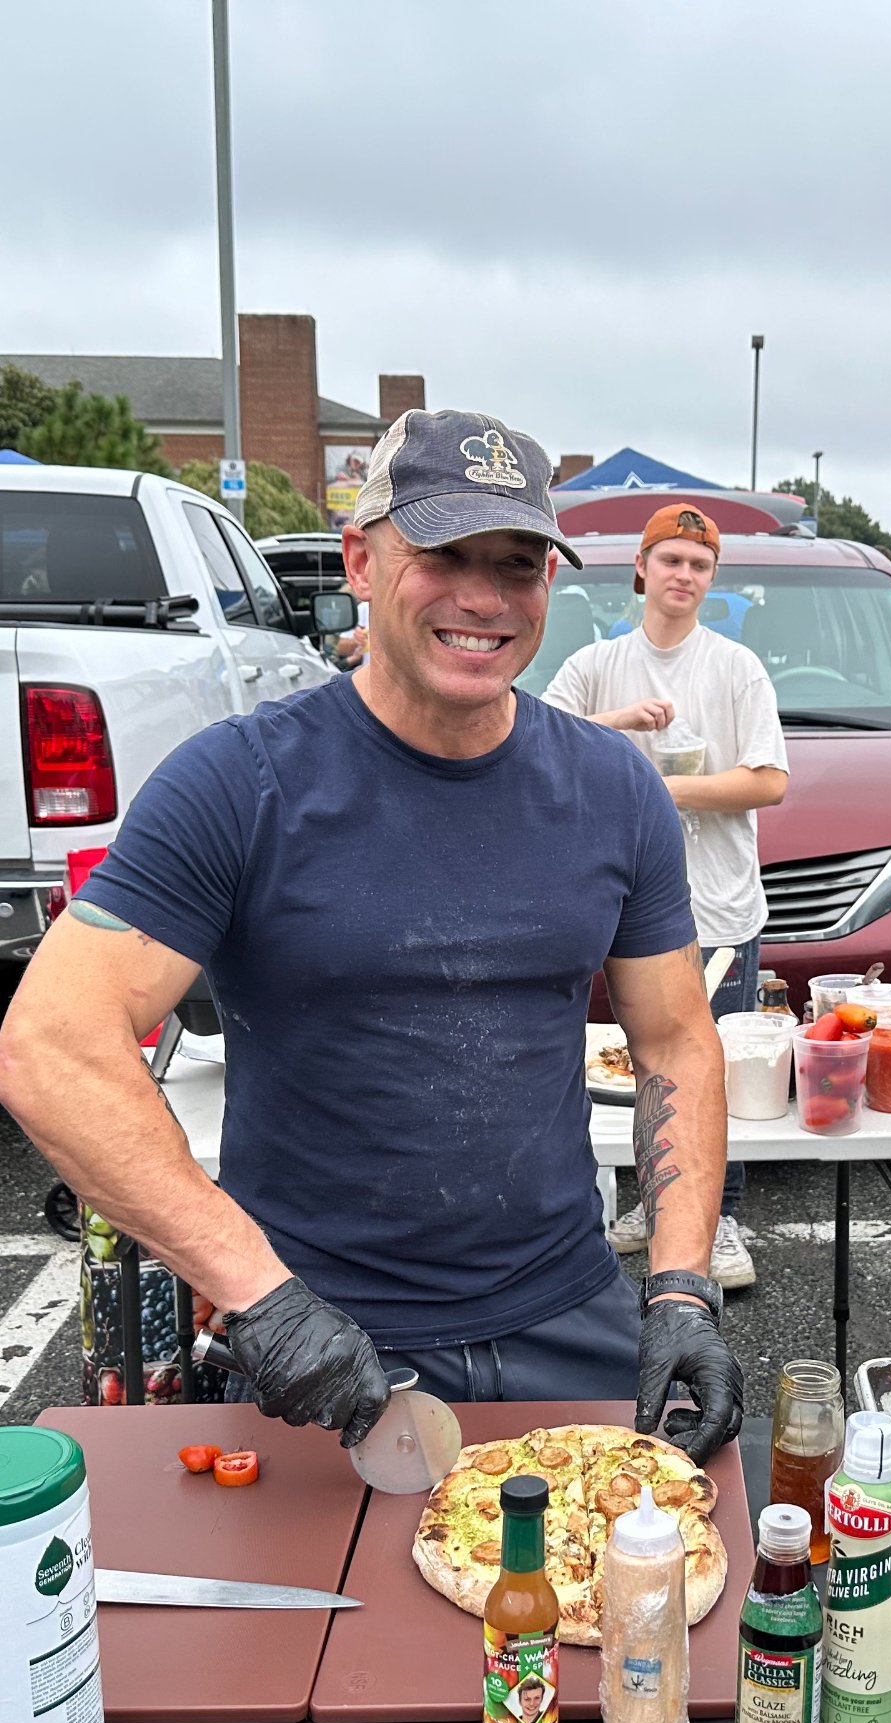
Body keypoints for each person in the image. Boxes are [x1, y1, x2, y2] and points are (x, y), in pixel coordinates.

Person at [0, 410, 743, 1465]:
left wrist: (680, 1287)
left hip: (572, 1316)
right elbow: (51, 1043)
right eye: (443, 556)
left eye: (518, 564)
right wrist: (261, 1298)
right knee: (329, 1631)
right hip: (326, 1348)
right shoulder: (242, 783)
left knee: (618, 1608)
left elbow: (673, 1039)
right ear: (359, 557)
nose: (484, 597)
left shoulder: (613, 788)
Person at [542, 503, 788, 1291]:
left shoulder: (733, 668)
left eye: (699, 565)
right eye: (671, 559)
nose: (683, 575)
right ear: (640, 569)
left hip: (715, 909)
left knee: (712, 1068)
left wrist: (661, 786)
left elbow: (768, 781)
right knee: (618, 1064)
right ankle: (638, 1203)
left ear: (712, 581)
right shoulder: (595, 665)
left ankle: (719, 1222)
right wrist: (616, 724)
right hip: (604, 908)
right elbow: (533, 741)